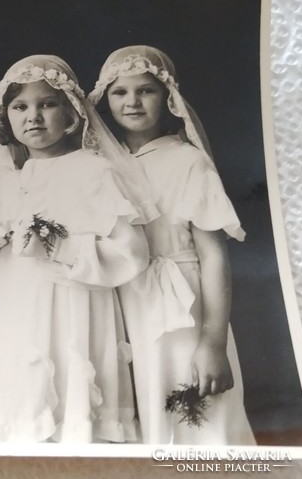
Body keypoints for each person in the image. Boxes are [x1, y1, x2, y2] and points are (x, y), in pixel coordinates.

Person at [0, 55, 150, 443]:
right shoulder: (6, 177)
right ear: (6, 117)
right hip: (16, 306)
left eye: (47, 104)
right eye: (20, 107)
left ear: (71, 114)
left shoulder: (93, 170)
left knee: (72, 402)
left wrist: (59, 246)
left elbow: (130, 251)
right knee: (22, 407)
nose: (34, 116)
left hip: (73, 302)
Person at [88, 45, 255, 445]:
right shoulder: (99, 164)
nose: (131, 102)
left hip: (183, 308)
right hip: (122, 301)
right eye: (119, 92)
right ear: (104, 99)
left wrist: (212, 342)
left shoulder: (187, 162)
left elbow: (214, 256)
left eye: (145, 90)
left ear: (167, 97)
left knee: (195, 421)